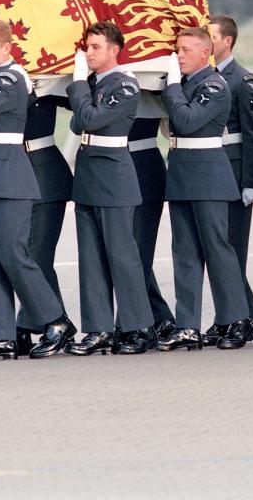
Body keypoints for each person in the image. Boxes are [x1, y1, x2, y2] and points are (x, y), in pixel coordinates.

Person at [0, 20, 74, 361]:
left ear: (7, 48)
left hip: (8, 179)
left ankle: (55, 319)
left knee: (13, 254)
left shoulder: (11, 78)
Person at [64, 22, 157, 355]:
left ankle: (138, 327)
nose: (89, 53)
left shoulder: (125, 85)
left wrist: (76, 85)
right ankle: (98, 328)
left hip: (114, 175)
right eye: (86, 46)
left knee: (122, 256)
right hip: (89, 172)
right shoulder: (92, 84)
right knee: (90, 258)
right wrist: (82, 87)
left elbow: (88, 119)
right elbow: (79, 121)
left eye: (96, 47)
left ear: (114, 50)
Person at [157, 26, 252, 351]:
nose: (179, 55)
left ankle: (236, 319)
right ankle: (187, 325)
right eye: (177, 49)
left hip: (208, 175)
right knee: (184, 252)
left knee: (217, 250)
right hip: (182, 173)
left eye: (185, 50)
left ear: (204, 53)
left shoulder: (214, 86)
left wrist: (170, 86)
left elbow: (185, 120)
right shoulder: (186, 85)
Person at [201, 15, 253, 346]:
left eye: (211, 36)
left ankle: (237, 319)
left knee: (231, 251)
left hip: (235, 170)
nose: (207, 42)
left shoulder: (242, 80)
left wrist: (250, 180)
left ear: (227, 41)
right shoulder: (204, 78)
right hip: (213, 171)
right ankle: (245, 316)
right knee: (219, 249)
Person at [14, 90, 72, 355]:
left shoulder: (45, 79)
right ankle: (58, 321)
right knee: (27, 254)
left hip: (46, 172)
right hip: (15, 170)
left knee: (37, 255)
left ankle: (29, 325)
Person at [128, 96, 177, 341]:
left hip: (144, 167)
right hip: (115, 167)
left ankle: (134, 323)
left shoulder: (152, 85)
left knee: (138, 252)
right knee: (128, 253)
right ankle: (160, 316)